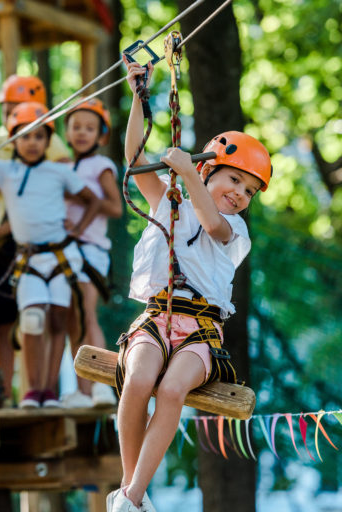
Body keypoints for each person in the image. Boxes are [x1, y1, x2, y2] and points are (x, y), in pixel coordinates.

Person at [107, 58, 273, 512]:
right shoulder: (168, 200)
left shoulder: (234, 231)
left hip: (200, 331)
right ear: (208, 169)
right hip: (157, 317)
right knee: (138, 380)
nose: (240, 193)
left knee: (172, 390)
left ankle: (132, 495)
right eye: (234, 178)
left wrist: (184, 174)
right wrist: (139, 94)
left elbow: (210, 221)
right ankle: (129, 493)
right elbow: (135, 159)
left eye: (249, 191)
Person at [0, 101, 101, 409]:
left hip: (61, 257)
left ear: (48, 141)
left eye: (39, 136)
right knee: (32, 321)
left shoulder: (57, 172)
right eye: (25, 136)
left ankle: (49, 391)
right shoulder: (5, 170)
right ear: (14, 141)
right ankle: (31, 391)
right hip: (30, 260)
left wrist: (78, 229)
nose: (32, 143)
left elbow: (92, 200)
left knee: (57, 322)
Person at [0, 75, 71, 404]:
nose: (14, 116)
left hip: (35, 243)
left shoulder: (53, 145)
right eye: (8, 110)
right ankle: (4, 394)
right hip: (1, 247)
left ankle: (41, 389)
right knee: (1, 322)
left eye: (19, 108)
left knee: (40, 319)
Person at [60, 98, 123, 409]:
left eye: (90, 128)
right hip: (65, 251)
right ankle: (82, 392)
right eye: (76, 127)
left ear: (101, 136)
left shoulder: (101, 166)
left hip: (90, 250)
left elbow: (114, 207)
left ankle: (100, 387)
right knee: (73, 321)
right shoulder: (63, 166)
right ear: (67, 133)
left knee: (86, 315)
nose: (82, 133)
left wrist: (82, 199)